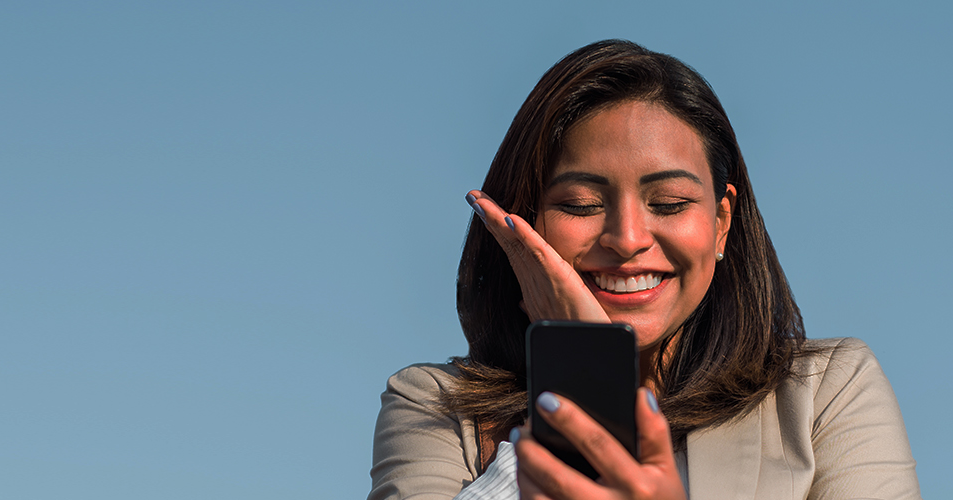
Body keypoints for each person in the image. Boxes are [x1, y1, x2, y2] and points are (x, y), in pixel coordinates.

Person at [368, 40, 920, 500]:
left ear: (722, 222)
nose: (627, 240)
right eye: (581, 205)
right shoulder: (434, 406)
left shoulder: (825, 392)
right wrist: (580, 370)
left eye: (671, 203)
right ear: (523, 220)